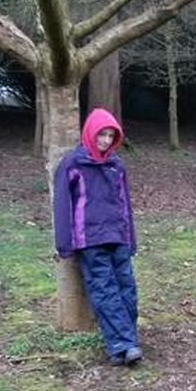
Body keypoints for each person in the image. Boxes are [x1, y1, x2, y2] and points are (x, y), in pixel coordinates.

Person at [53, 108, 142, 366]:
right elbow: (63, 206)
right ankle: (124, 344)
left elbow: (125, 204)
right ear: (91, 133)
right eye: (101, 134)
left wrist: (130, 238)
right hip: (89, 239)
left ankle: (123, 345)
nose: (104, 140)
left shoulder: (117, 165)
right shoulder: (73, 164)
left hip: (118, 236)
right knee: (104, 290)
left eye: (110, 136)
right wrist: (65, 243)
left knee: (127, 288)